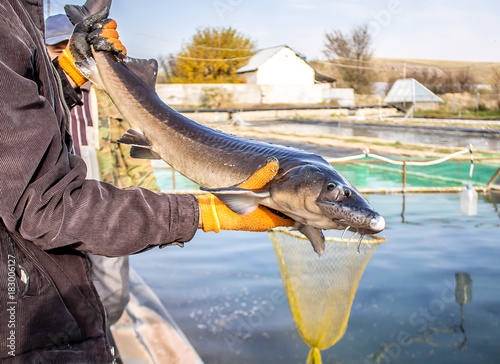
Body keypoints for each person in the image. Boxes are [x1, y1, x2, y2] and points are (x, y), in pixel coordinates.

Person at [0, 1, 293, 363]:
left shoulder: (18, 14)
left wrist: (69, 75)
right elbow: (44, 204)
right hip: (21, 319)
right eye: (55, 48)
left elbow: (19, 115)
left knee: (112, 292)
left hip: (93, 217)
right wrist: (199, 213)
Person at [45, 14, 161, 347]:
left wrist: (154, 207)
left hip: (103, 195)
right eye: (57, 48)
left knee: (114, 290)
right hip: (52, 196)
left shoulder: (109, 93)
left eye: (76, 50)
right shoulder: (34, 93)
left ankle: (98, 336)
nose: (70, 56)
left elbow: (134, 152)